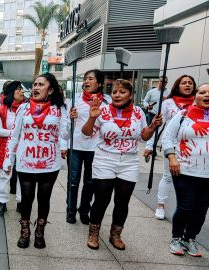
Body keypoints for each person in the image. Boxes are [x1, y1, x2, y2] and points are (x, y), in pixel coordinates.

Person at [82, 79, 162, 250]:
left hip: (129, 161)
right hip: (105, 159)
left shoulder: (138, 112)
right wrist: (91, 117)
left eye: (122, 92)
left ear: (131, 95)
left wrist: (153, 126)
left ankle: (115, 234)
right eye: (114, 92)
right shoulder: (102, 111)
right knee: (102, 199)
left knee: (122, 201)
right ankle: (93, 233)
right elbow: (87, 133)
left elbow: (144, 137)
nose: (117, 95)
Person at [3, 73, 68, 249]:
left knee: (44, 198)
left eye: (41, 84)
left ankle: (40, 231)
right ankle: (25, 231)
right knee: (26, 198)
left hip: (50, 163)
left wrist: (65, 143)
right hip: (26, 162)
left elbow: (64, 133)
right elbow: (14, 135)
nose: (36, 88)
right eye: (34, 84)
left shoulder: (59, 109)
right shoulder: (23, 109)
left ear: (51, 89)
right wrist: (8, 159)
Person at [162, 83, 209, 257]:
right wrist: (172, 157)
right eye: (202, 92)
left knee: (201, 209)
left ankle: (190, 238)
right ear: (196, 95)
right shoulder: (183, 115)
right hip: (184, 170)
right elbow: (167, 137)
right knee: (186, 206)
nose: (206, 95)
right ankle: (176, 238)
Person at [143, 75, 196, 220]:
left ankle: (184, 209)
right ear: (177, 86)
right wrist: (150, 145)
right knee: (168, 176)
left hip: (192, 148)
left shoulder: (198, 103)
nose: (187, 85)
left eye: (190, 83)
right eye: (183, 83)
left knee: (189, 180)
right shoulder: (168, 103)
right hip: (171, 146)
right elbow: (159, 126)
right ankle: (161, 205)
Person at [66, 69, 111, 224]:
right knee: (73, 180)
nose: (86, 81)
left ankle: (84, 210)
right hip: (76, 145)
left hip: (96, 148)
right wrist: (70, 117)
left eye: (90, 79)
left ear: (99, 83)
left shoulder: (108, 101)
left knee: (90, 182)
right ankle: (70, 210)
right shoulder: (74, 99)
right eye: (85, 78)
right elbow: (65, 126)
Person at [0, 80, 25, 215]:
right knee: (4, 175)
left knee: (22, 176)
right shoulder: (2, 109)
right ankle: (2, 202)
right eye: (19, 89)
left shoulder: (27, 108)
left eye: (22, 89)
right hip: (6, 147)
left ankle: (21, 202)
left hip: (23, 147)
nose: (22, 92)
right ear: (12, 93)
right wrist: (15, 133)